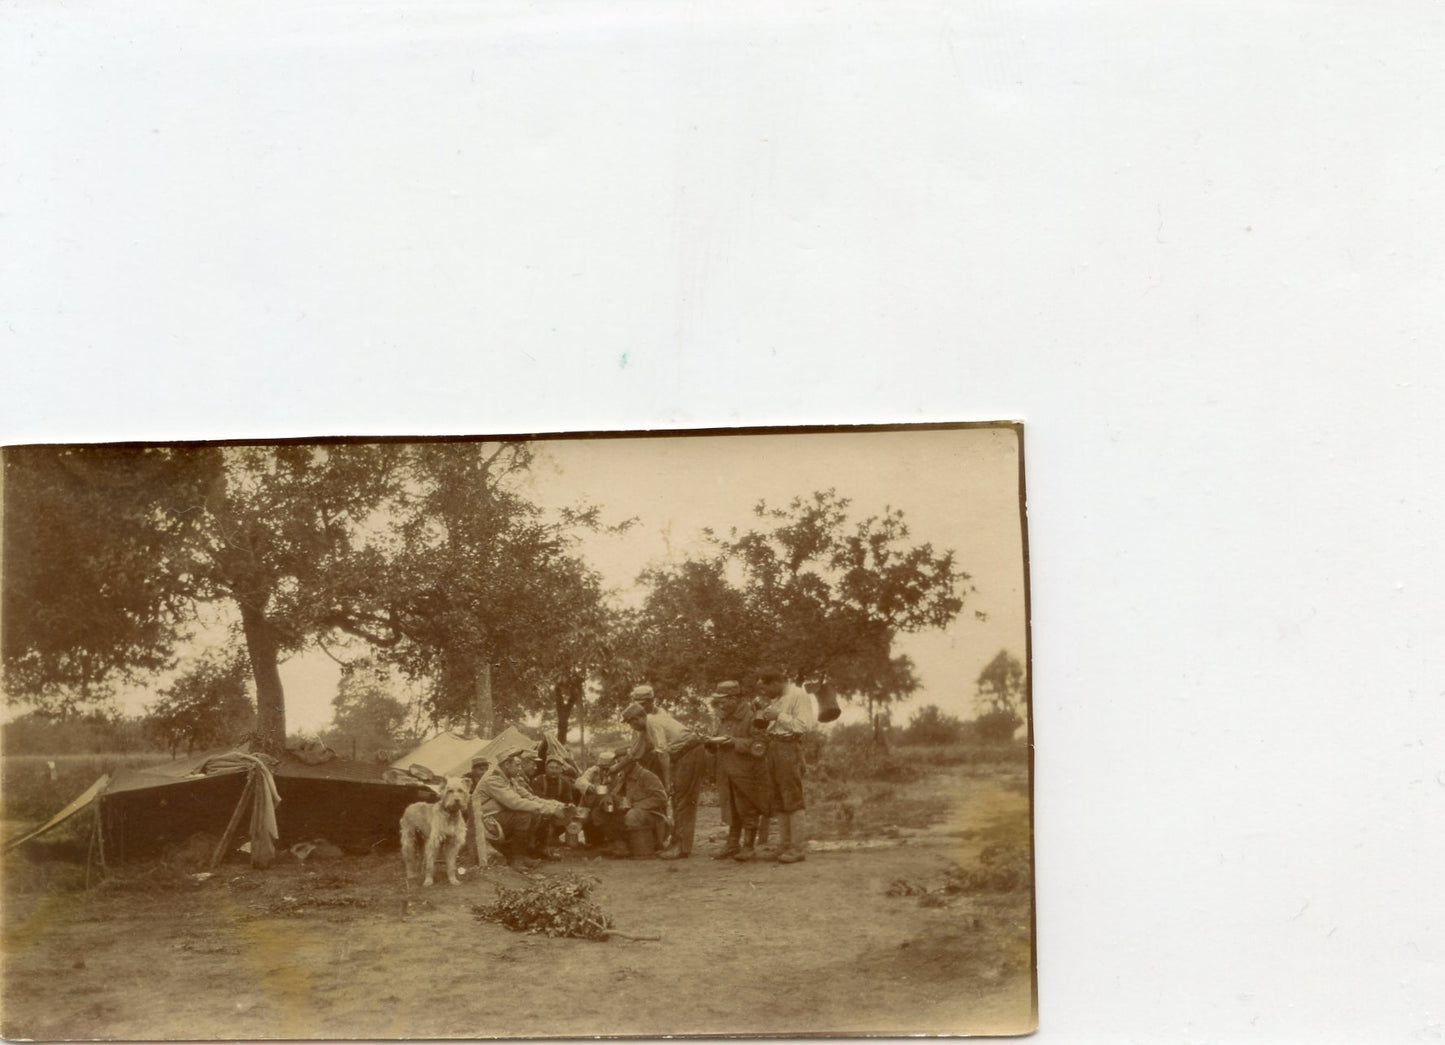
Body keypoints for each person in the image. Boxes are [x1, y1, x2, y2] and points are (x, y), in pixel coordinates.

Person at [620, 694, 707, 860]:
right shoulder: (645, 729)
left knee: (682, 799)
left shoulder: (652, 723)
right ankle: (678, 843)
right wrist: (615, 768)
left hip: (690, 752)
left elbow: (663, 753)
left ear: (639, 717)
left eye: (632, 722)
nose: (632, 726)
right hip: (683, 754)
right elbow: (635, 753)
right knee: (679, 799)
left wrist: (667, 783)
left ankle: (681, 846)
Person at [471, 743, 572, 869]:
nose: (520, 768)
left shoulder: (509, 778)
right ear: (507, 765)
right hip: (484, 819)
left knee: (534, 814)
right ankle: (515, 859)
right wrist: (551, 809)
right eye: (517, 765)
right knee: (524, 815)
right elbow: (515, 802)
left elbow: (529, 797)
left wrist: (558, 805)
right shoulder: (494, 779)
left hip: (498, 815)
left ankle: (523, 855)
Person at [755, 665, 817, 864]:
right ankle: (784, 845)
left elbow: (805, 725)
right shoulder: (777, 698)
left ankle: (797, 848)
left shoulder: (798, 694)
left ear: (776, 682)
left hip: (788, 746)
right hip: (774, 746)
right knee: (779, 799)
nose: (765, 693)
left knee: (792, 798)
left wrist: (778, 716)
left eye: (766, 688)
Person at [705, 680, 773, 860]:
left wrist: (735, 742)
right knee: (731, 808)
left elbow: (761, 745)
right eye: (718, 701)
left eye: (723, 700)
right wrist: (711, 742)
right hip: (727, 770)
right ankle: (732, 844)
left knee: (747, 808)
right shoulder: (723, 717)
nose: (720, 704)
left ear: (734, 699)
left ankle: (748, 846)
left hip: (746, 772)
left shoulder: (753, 717)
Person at [588, 753, 668, 858]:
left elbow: (661, 798)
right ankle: (618, 844)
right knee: (599, 812)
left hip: (652, 816)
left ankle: (641, 845)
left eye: (622, 762)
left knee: (632, 815)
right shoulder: (622, 776)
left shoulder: (647, 776)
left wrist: (635, 805)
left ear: (632, 762)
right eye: (617, 763)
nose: (619, 766)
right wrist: (609, 798)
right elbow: (615, 795)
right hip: (631, 813)